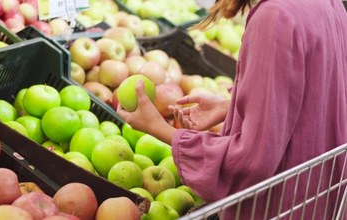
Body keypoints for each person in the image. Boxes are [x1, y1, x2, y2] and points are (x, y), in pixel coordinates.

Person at [117, 0, 347, 219]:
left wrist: (159, 128)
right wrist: (233, 105)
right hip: (319, 199)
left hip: (278, 207)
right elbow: (319, 96)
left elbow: (252, 161)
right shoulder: (329, 4)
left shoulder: (275, 17)